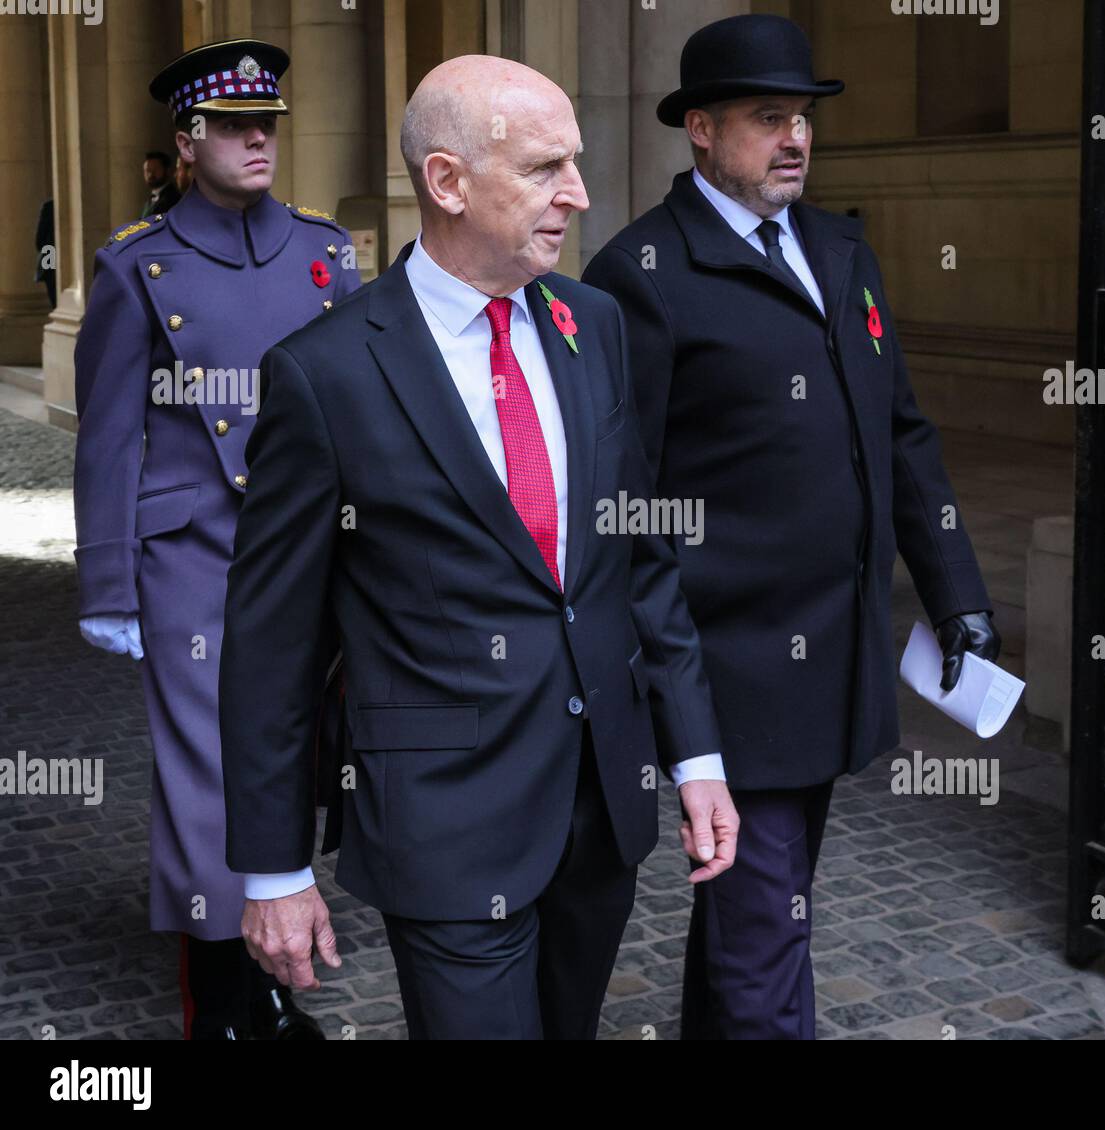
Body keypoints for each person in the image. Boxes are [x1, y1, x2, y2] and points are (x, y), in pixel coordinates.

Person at [218, 54, 739, 1040]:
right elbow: (269, 643)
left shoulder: (595, 324)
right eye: (547, 168)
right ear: (447, 182)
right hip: (445, 821)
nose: (578, 195)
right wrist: (274, 868)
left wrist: (696, 753)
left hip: (599, 809)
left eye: (575, 163)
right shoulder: (325, 376)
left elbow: (638, 551)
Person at [583, 13, 1001, 1039]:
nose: (795, 139)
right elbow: (624, 505)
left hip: (833, 659)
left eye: (802, 117)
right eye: (768, 118)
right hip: (729, 675)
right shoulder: (640, 277)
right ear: (701, 129)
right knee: (767, 934)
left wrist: (958, 595)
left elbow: (900, 432)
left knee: (754, 911)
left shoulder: (839, 248)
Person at [72, 38, 361, 1040]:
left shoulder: (327, 250)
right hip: (195, 554)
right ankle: (228, 1006)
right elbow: (110, 436)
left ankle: (272, 969)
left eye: (267, 123)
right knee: (211, 776)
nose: (257, 139)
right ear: (185, 142)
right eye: (233, 125)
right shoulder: (137, 263)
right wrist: (109, 582)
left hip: (313, 546)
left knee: (299, 756)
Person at [140, 150, 182, 218]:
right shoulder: (150, 199)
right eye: (148, 170)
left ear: (167, 170)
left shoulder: (173, 198)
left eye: (155, 169)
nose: (150, 174)